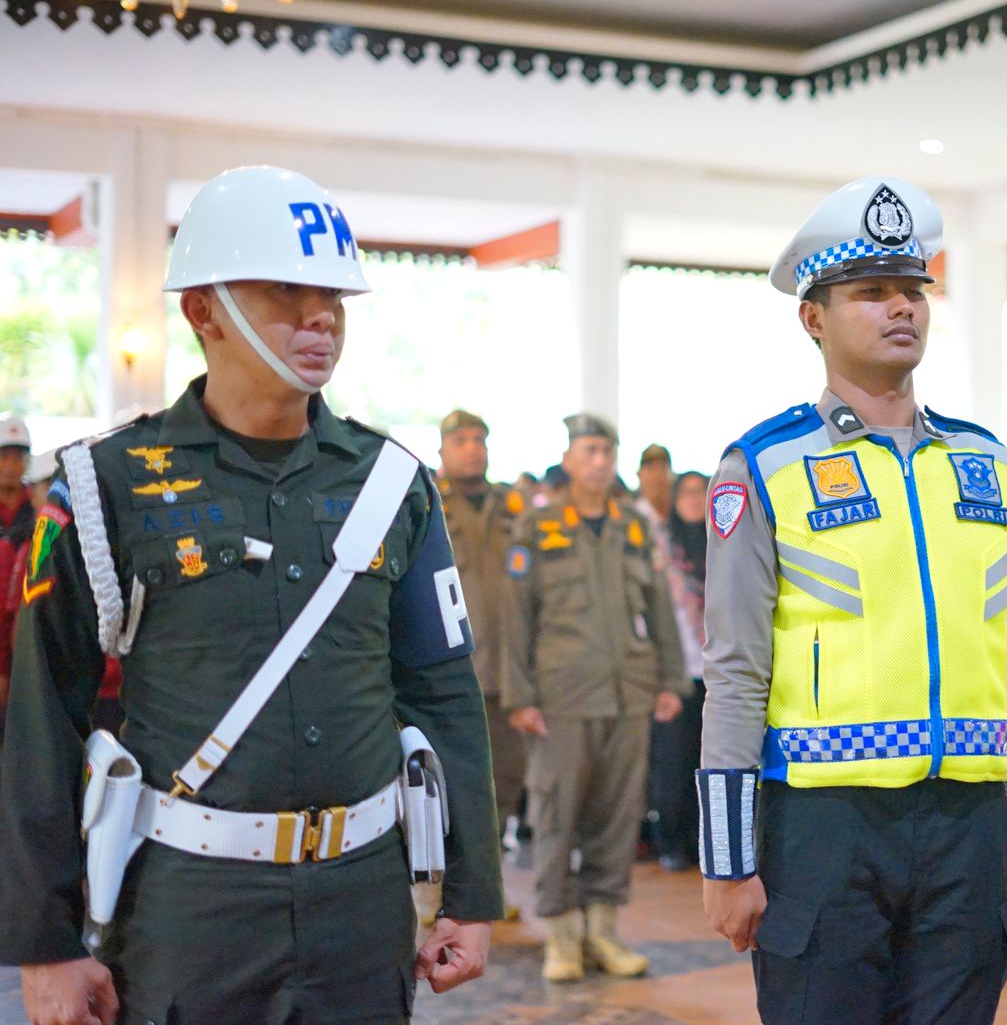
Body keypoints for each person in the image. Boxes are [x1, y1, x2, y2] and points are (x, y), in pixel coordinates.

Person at [0, 165, 502, 1025]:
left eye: (333, 295)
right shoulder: (103, 485)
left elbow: (444, 692)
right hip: (188, 910)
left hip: (360, 907)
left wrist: (473, 891)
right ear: (203, 311)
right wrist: (44, 943)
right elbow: (43, 719)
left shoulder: (393, 483)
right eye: (285, 291)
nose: (320, 316)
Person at [696, 176, 1007, 1025]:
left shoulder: (987, 464)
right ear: (812, 318)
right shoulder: (765, 465)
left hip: (969, 822)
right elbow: (735, 671)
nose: (902, 308)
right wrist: (727, 859)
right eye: (870, 292)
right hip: (824, 829)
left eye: (912, 290)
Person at [504, 413, 688, 983]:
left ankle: (602, 931)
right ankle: (561, 936)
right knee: (557, 814)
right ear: (569, 458)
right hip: (562, 696)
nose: (600, 461)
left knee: (617, 816)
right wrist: (519, 695)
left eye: (607, 452)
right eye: (589, 451)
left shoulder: (633, 526)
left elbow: (660, 609)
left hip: (628, 694)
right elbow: (516, 617)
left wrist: (671, 681)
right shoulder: (537, 527)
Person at [435, 409, 526, 885]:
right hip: (451, 672)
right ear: (442, 450)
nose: (472, 449)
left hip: (508, 673)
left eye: (479, 440)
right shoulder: (426, 503)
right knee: (450, 784)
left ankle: (487, 887)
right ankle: (437, 892)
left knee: (506, 780)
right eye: (461, 441)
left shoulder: (515, 507)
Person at [649, 470, 711, 871]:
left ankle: (704, 842)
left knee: (710, 761)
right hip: (674, 672)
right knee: (674, 763)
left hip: (719, 673)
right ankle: (671, 842)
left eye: (700, 491)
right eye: (685, 492)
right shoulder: (659, 547)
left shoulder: (725, 544)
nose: (692, 498)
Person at [0, 414, 35, 751]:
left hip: (24, 633)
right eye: (4, 456)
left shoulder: (39, 505)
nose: (11, 465)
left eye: (18, 456)